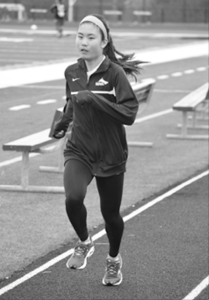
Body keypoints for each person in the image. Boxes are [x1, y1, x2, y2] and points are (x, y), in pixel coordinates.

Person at [52, 14, 142, 286]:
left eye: (91, 37)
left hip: (110, 153)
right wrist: (61, 124)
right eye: (80, 36)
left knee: (110, 214)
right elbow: (71, 102)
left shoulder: (115, 73)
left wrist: (94, 100)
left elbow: (129, 113)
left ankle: (114, 260)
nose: (84, 42)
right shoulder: (71, 71)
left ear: (104, 42)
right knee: (73, 198)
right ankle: (84, 242)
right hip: (79, 149)